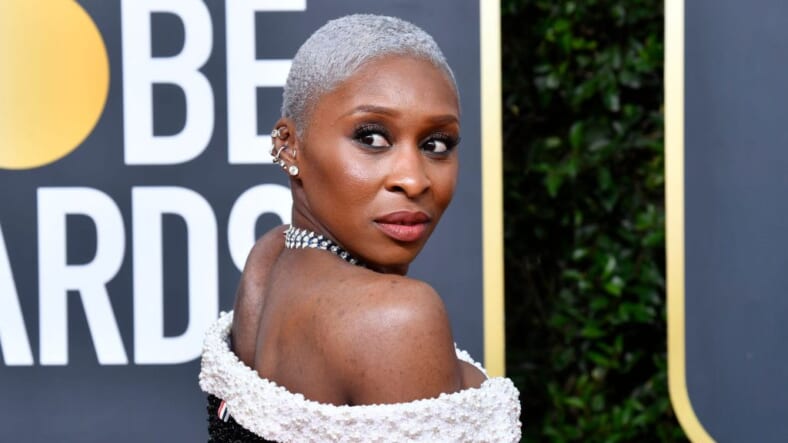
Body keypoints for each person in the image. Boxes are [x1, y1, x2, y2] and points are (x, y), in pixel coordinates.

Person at [199, 14, 521, 442]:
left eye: (436, 144)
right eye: (372, 138)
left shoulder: (270, 258)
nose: (413, 180)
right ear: (288, 146)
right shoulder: (398, 318)